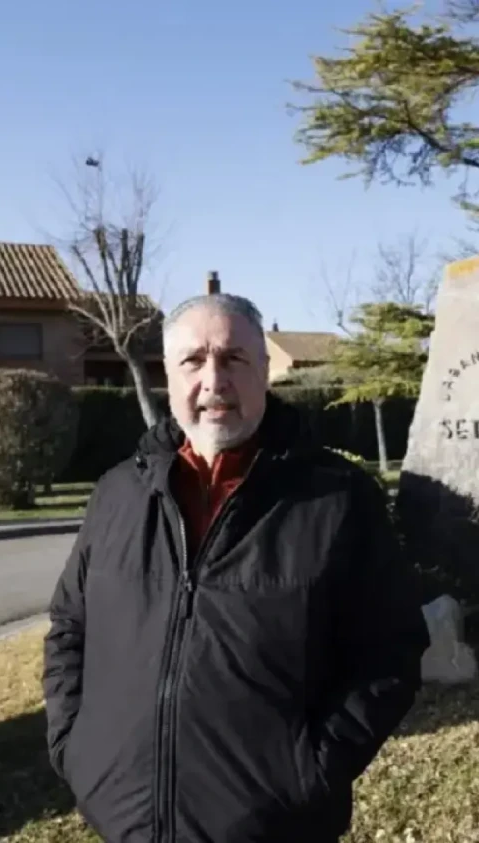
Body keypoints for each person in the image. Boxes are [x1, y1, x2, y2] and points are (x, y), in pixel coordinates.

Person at [43, 293, 429, 843]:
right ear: (169, 376)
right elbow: (69, 627)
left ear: (265, 371)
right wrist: (75, 748)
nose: (214, 380)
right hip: (124, 821)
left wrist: (310, 771)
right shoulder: (117, 495)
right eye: (193, 360)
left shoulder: (338, 500)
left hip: (275, 828)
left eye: (235, 359)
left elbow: (389, 652)